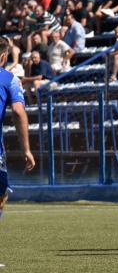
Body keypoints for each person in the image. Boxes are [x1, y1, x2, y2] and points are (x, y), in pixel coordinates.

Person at [0, 37, 35, 269]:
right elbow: (19, 112)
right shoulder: (9, 79)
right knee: (0, 197)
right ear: (3, 57)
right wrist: (27, 149)